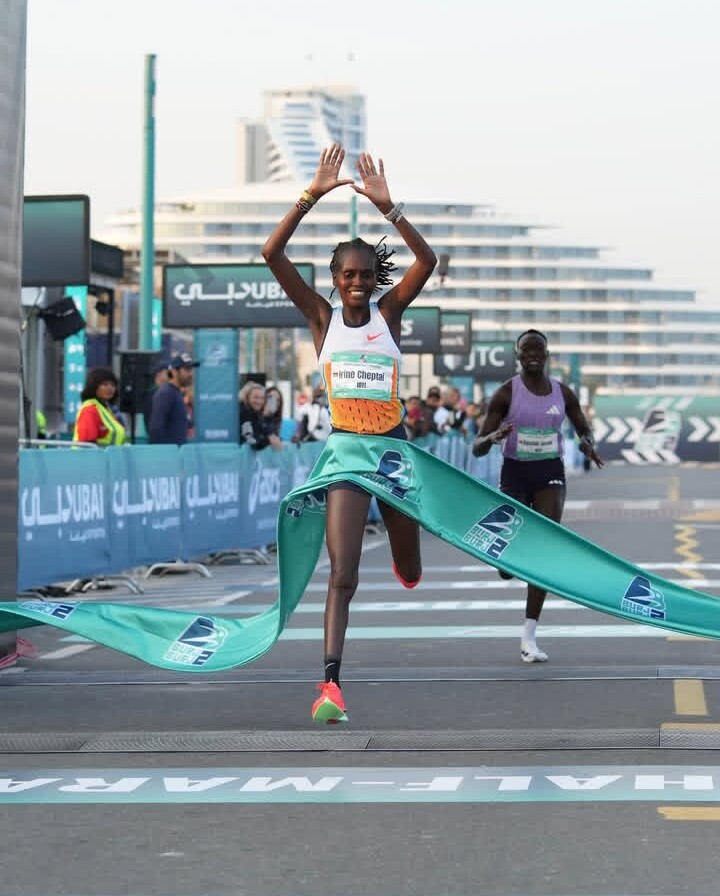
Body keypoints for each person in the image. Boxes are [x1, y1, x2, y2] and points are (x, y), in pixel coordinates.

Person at [262, 143, 437, 723]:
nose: (358, 282)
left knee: (410, 567)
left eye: (365, 274)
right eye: (348, 275)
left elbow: (427, 260)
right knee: (342, 573)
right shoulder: (322, 319)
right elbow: (271, 253)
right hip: (346, 455)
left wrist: (390, 208)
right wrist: (310, 195)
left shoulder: (390, 315)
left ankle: (407, 561)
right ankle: (330, 685)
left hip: (393, 454)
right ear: (335, 281)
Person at [471, 329, 603, 663]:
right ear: (517, 356)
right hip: (515, 473)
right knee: (509, 562)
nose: (532, 354)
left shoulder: (563, 393)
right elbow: (477, 447)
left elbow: (583, 428)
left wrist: (587, 443)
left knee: (545, 546)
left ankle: (529, 635)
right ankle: (506, 562)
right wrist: (493, 437)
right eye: (526, 350)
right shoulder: (506, 393)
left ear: (546, 355)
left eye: (538, 349)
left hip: (549, 472)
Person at [148, 353, 199, 445]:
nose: (191, 374)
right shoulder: (166, 394)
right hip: (167, 453)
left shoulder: (177, 394)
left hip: (178, 452)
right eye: (187, 369)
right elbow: (156, 429)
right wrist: (165, 452)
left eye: (191, 369)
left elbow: (186, 423)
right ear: (174, 372)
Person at [73, 366, 126, 445]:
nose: (110, 388)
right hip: (92, 453)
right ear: (93, 386)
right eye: (104, 384)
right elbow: (88, 445)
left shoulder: (106, 409)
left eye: (113, 385)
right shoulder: (90, 410)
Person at [239, 381, 282, 451]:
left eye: (262, 398)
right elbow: (251, 441)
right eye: (255, 397)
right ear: (247, 397)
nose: (259, 401)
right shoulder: (244, 412)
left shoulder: (256, 414)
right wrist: (268, 440)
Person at [143, 360, 169, 435]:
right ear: (158, 374)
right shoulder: (151, 395)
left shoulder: (168, 393)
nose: (171, 375)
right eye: (168, 373)